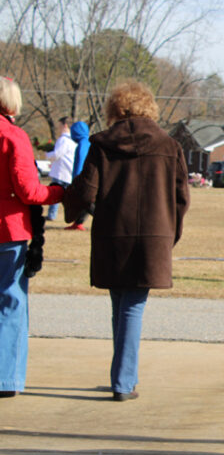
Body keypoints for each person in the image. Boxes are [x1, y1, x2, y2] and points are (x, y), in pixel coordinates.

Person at [63, 80, 190, 401]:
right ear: (149, 107)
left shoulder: (101, 145)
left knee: (120, 305)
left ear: (115, 109)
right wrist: (167, 235)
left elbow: (85, 191)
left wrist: (85, 211)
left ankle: (122, 377)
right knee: (132, 307)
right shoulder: (169, 146)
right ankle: (123, 381)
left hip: (111, 236)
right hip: (152, 239)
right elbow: (181, 199)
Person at [1, 76, 65, 398]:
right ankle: (4, 378)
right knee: (10, 302)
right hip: (7, 230)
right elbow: (28, 190)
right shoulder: (13, 136)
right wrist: (58, 193)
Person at [44, 117, 76, 222]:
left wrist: (47, 154)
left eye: (60, 125)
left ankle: (52, 215)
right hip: (67, 172)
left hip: (61, 172)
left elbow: (57, 154)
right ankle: (73, 215)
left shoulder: (63, 140)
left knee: (55, 194)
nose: (58, 128)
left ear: (65, 125)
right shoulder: (73, 140)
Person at [66, 120, 91, 229]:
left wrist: (76, 180)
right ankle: (78, 223)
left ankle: (106, 222)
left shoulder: (82, 145)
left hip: (83, 179)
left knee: (87, 202)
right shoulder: (88, 142)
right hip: (88, 178)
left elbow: (80, 163)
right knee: (84, 202)